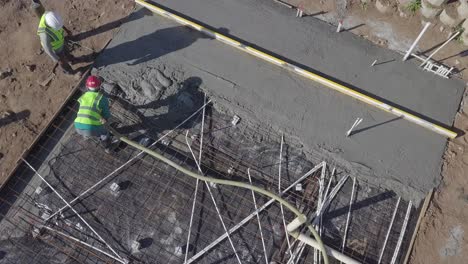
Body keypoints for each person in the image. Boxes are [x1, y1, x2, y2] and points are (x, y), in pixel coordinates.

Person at [75, 75, 113, 152]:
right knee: (104, 132)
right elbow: (106, 115)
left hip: (77, 126)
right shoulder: (102, 98)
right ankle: (108, 148)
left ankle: (88, 135)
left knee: (95, 128)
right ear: (99, 86)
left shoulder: (83, 97)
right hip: (90, 127)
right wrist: (104, 121)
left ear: (87, 86)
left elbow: (87, 110)